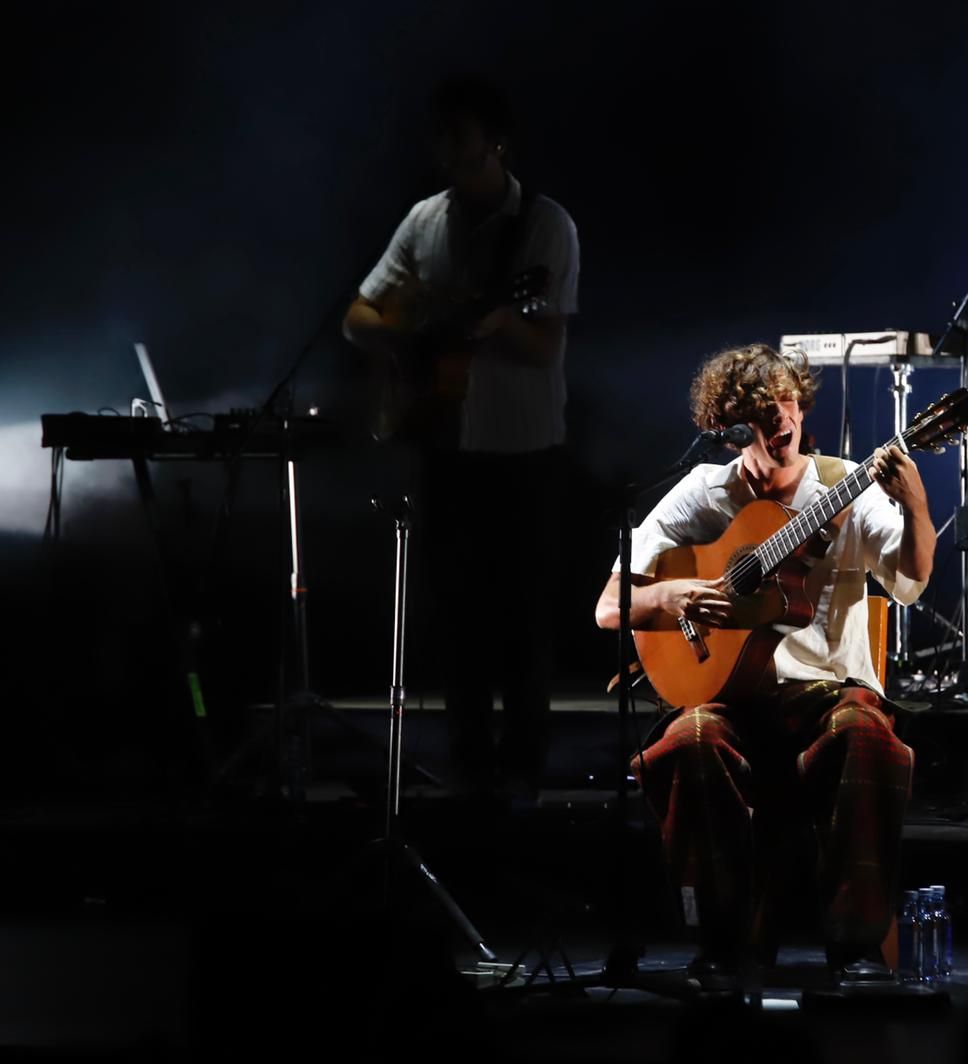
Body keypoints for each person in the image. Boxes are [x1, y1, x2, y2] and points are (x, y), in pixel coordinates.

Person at [594, 343, 933, 985]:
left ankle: (857, 949)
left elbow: (913, 578)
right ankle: (720, 943)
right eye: (759, 409)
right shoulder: (703, 493)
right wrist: (675, 594)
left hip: (826, 694)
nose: (780, 418)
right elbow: (610, 608)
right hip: (728, 699)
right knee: (686, 740)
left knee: (866, 735)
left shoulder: (842, 486)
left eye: (786, 400)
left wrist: (915, 504)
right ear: (729, 427)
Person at [342, 75, 579, 798]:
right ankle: (470, 764)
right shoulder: (424, 221)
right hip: (446, 443)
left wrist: (502, 322)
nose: (444, 146)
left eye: (459, 134)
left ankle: (524, 770)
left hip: (523, 449)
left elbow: (544, 346)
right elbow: (359, 315)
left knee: (522, 616)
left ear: (495, 143)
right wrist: (412, 342)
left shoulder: (544, 226)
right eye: (440, 133)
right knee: (457, 614)